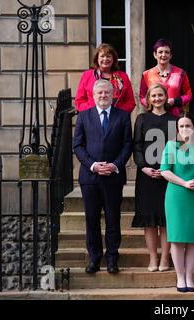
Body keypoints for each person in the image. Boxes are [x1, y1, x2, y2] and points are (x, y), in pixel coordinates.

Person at [73, 79, 132, 274]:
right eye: (100, 93)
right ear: (93, 95)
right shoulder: (83, 116)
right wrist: (93, 165)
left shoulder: (123, 117)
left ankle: (112, 258)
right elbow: (78, 146)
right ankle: (94, 258)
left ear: (113, 94)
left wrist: (114, 165)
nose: (103, 96)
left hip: (113, 176)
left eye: (107, 92)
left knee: (113, 219)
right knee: (92, 219)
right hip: (90, 178)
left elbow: (127, 146)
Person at [160, 112, 194, 292]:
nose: (184, 129)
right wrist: (184, 183)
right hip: (176, 196)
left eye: (187, 125)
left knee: (193, 239)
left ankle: (189, 276)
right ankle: (180, 277)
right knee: (177, 238)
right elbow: (165, 171)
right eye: (181, 126)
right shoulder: (171, 146)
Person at [132, 83, 176, 272]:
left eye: (160, 95)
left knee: (166, 219)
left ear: (166, 97)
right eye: (153, 96)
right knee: (149, 221)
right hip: (147, 176)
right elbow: (137, 146)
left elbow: (178, 147)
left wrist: (167, 169)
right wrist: (144, 167)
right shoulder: (142, 119)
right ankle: (153, 258)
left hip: (169, 175)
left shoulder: (174, 119)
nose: (157, 98)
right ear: (148, 99)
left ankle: (165, 259)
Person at [75, 43, 136, 113]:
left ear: (113, 59)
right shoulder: (87, 75)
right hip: (92, 118)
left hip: (117, 119)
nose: (105, 59)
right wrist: (93, 112)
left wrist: (119, 114)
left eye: (108, 56)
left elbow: (130, 102)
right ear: (97, 59)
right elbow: (79, 101)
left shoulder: (123, 77)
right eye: (102, 56)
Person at [140, 38, 193, 118]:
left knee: (171, 131)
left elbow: (188, 94)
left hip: (174, 116)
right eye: (160, 52)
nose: (163, 55)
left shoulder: (180, 73)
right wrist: (152, 104)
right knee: (155, 131)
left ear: (171, 55)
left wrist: (174, 101)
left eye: (167, 52)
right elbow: (142, 96)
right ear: (155, 54)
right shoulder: (147, 74)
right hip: (155, 115)